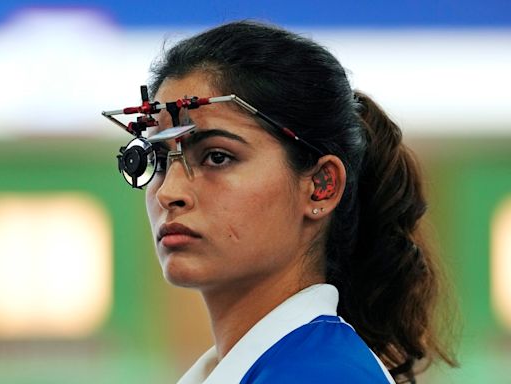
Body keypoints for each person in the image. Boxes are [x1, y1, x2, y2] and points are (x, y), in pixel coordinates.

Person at [130, 21, 456, 383]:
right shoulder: (266, 366)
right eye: (158, 160)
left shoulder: (322, 374)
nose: (168, 192)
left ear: (320, 186)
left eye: (217, 157)